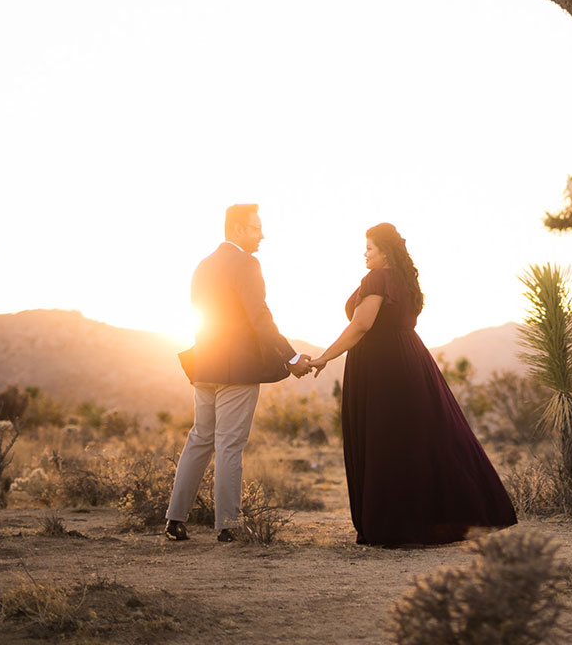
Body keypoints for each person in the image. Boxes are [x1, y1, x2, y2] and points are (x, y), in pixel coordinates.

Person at [304, 223, 515, 545]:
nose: (365, 253)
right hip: (412, 360)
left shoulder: (376, 279)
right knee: (422, 440)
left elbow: (361, 324)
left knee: (386, 442)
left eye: (370, 248)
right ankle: (433, 520)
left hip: (382, 365)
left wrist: (324, 357)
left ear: (385, 251)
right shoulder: (405, 280)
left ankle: (394, 526)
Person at [166, 204, 312, 542]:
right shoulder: (247, 263)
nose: (262, 235)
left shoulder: (203, 265)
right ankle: (229, 526)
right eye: (255, 228)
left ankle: (174, 520)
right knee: (229, 443)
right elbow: (259, 316)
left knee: (200, 438)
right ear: (236, 230)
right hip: (237, 368)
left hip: (204, 364)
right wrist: (290, 357)